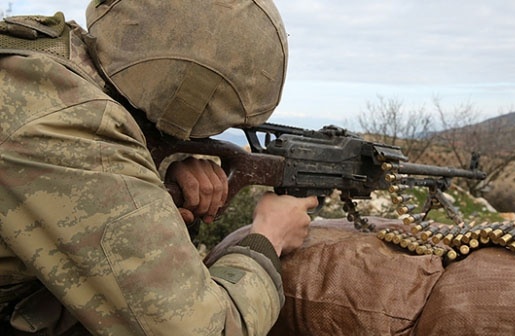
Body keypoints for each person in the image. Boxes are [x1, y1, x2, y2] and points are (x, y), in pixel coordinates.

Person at [0, 1, 318, 335]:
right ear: (187, 96)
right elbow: (202, 330)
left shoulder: (46, 59)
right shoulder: (75, 129)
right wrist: (269, 236)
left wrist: (153, 179)